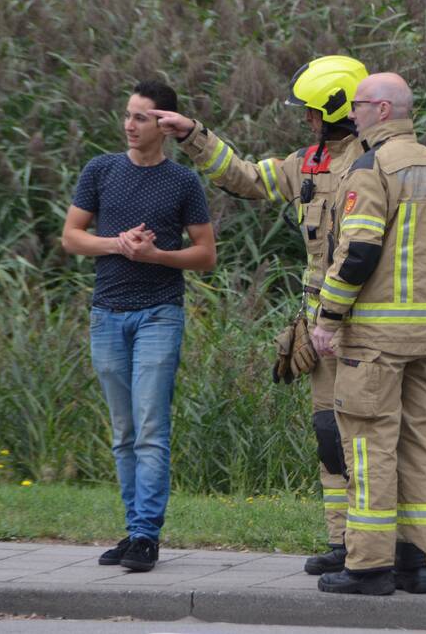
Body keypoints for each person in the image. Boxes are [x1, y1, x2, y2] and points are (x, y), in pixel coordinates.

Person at [151, 56, 369, 575]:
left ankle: (377, 549)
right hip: (320, 327)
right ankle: (341, 544)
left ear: (338, 108)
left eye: (312, 112)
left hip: (365, 325)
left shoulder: (373, 162)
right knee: (329, 437)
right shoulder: (307, 161)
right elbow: (245, 177)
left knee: (369, 442)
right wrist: (192, 135)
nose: (306, 120)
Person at [311, 73, 426, 595]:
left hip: (375, 340)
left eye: (357, 106)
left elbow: (357, 252)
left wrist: (327, 319)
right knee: (420, 441)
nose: (350, 115)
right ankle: (415, 562)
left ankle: (369, 567)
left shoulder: (370, 167)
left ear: (380, 109)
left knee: (368, 446)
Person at [61, 80, 216, 572]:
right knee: (123, 431)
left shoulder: (183, 182)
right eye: (127, 115)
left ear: (165, 125)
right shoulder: (100, 170)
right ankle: (132, 531)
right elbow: (71, 237)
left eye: (141, 118)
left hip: (159, 315)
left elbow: (206, 256)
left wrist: (155, 255)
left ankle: (147, 536)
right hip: (106, 315)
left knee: (151, 427)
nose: (129, 125)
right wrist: (118, 244)